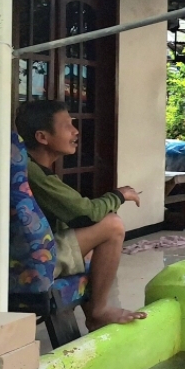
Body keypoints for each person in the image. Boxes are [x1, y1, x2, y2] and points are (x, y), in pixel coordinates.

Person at [14, 100, 147, 330]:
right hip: (29, 262)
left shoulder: (23, 163)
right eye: (67, 126)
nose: (75, 131)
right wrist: (119, 195)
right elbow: (86, 214)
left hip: (15, 255)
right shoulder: (33, 173)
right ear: (42, 137)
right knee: (112, 225)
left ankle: (94, 312)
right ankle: (98, 312)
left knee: (94, 249)